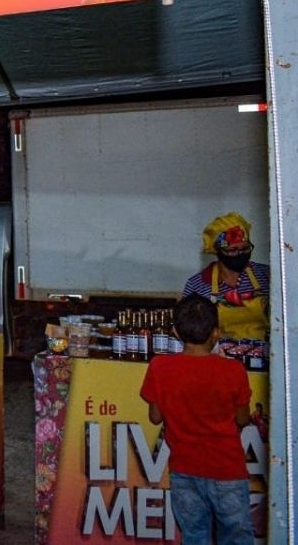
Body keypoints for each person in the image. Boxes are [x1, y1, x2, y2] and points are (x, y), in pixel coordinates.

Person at [140, 295, 253, 544]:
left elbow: (155, 417)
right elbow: (242, 419)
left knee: (194, 536)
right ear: (216, 333)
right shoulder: (233, 370)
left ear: (175, 332)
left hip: (184, 470)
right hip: (228, 471)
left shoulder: (159, 367)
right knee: (236, 537)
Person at [182, 212, 270, 340]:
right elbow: (190, 331)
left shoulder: (267, 276)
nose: (240, 254)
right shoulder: (197, 285)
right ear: (217, 251)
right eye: (232, 250)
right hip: (221, 357)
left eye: (245, 249)